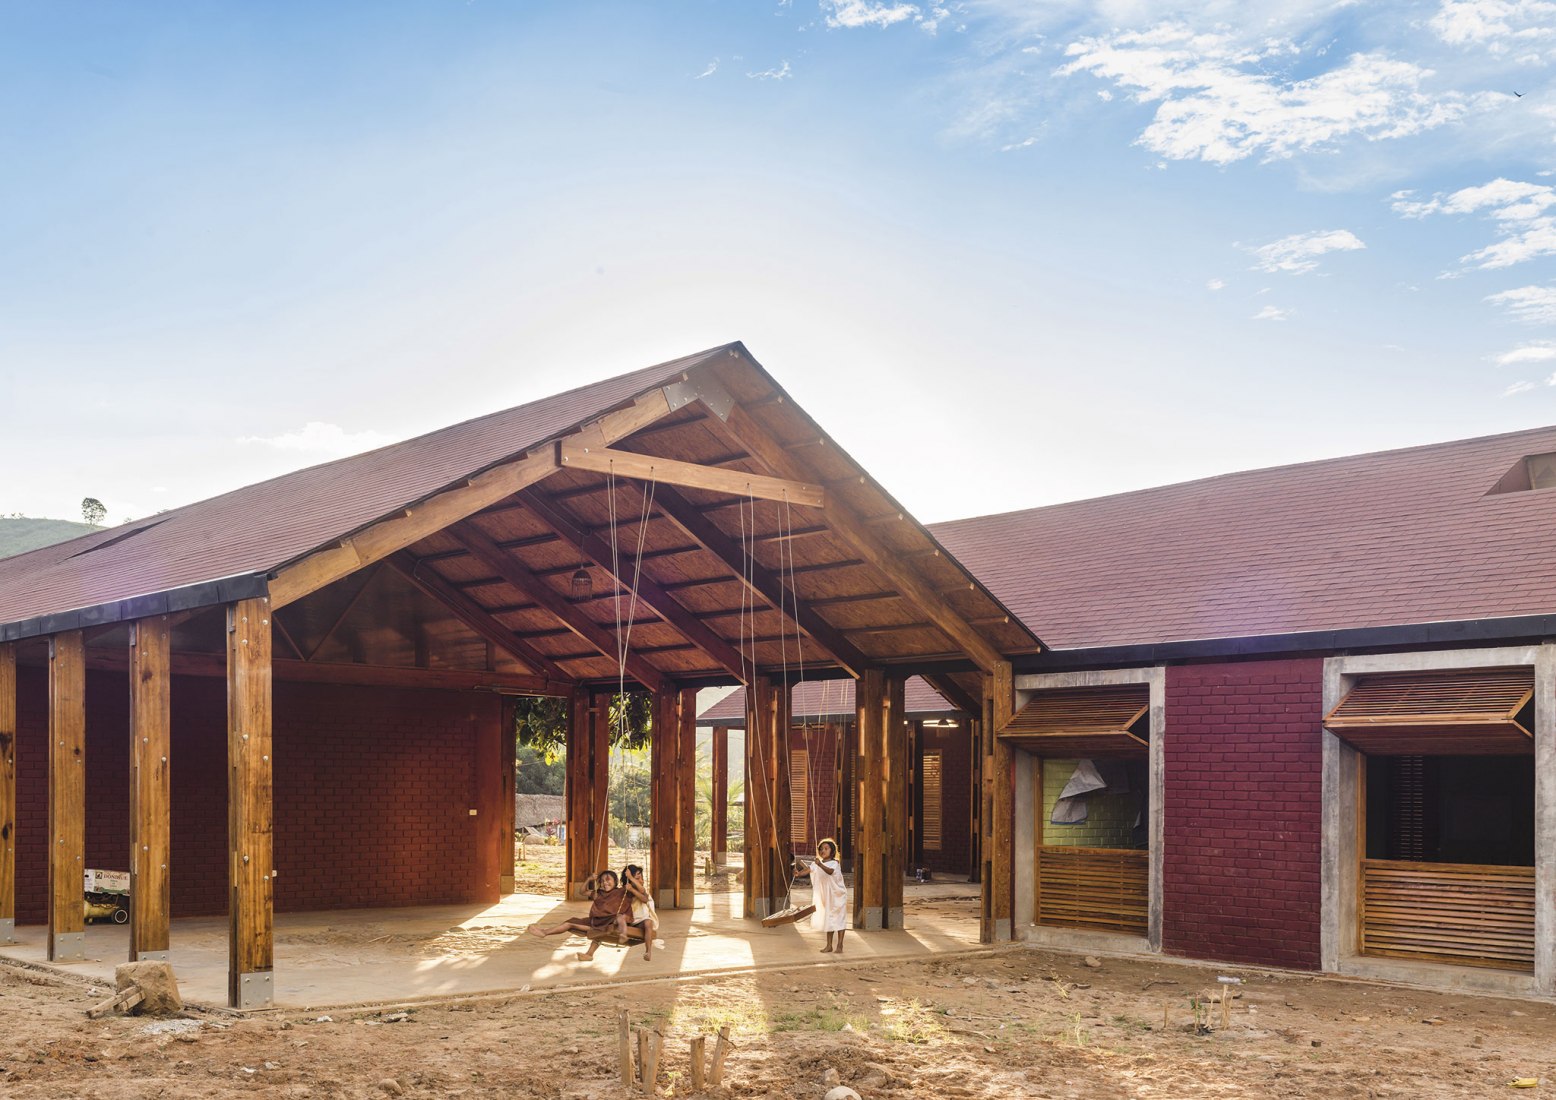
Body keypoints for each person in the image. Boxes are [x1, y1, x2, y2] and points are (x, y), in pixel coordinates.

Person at [527, 869, 636, 961]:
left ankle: (623, 934)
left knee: (619, 918)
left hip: (610, 922)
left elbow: (638, 889)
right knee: (570, 923)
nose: (605, 883)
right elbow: (582, 892)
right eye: (602, 881)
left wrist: (630, 877)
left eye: (608, 880)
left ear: (616, 881)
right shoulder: (598, 893)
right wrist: (589, 879)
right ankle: (544, 932)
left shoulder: (622, 891)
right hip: (596, 922)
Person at [794, 838, 847, 954]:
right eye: (821, 849)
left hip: (837, 894)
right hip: (826, 895)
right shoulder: (816, 863)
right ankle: (829, 945)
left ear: (832, 852)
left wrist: (820, 865)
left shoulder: (835, 863)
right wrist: (799, 874)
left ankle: (840, 945)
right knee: (829, 919)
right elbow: (808, 870)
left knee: (839, 918)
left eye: (826, 848)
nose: (823, 850)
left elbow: (830, 872)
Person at [620, 865, 658, 961]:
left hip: (641, 922)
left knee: (648, 922)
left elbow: (645, 899)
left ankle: (648, 951)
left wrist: (632, 883)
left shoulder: (641, 890)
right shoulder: (624, 891)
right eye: (638, 878)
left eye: (642, 878)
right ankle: (623, 935)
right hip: (629, 921)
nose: (641, 881)